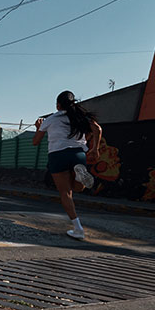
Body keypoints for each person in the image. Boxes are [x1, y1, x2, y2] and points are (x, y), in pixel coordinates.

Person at [32, 90, 101, 240]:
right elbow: (98, 129)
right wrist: (95, 148)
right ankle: (79, 175)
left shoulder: (50, 119)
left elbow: (35, 142)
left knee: (66, 193)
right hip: (78, 154)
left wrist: (39, 128)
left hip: (58, 154)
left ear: (58, 105)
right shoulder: (80, 117)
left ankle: (78, 228)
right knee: (78, 188)